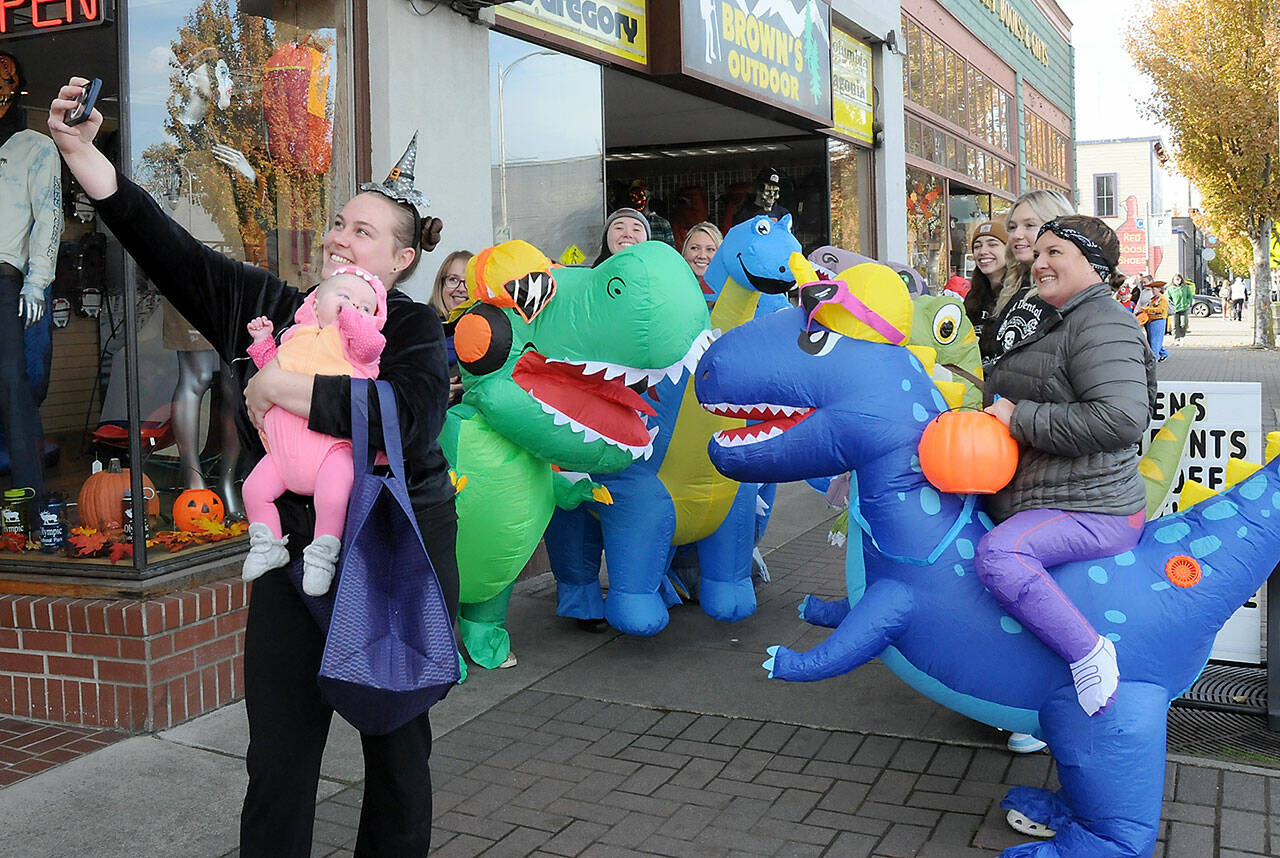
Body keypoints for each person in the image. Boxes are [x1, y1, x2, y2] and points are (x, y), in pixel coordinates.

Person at [51, 79, 456, 857]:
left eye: (363, 232)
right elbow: (167, 247)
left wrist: (283, 388)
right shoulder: (273, 308)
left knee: (398, 755)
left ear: (402, 259)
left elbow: (409, 420)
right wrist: (81, 154)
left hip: (390, 554)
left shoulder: (411, 329)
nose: (339, 240)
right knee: (277, 758)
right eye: (338, 223)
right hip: (291, 555)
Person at [978, 214, 1155, 719]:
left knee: (1001, 555)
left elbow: (1121, 418)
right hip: (1047, 496)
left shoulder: (1103, 322)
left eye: (1054, 252)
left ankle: (1090, 655)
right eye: (1038, 253)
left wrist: (1019, 418)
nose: (1040, 262)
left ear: (1092, 264)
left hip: (1094, 509)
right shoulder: (1056, 316)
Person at [242, 267, 388, 596]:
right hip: (284, 452)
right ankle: (267, 544)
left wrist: (352, 318)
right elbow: (272, 371)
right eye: (344, 296)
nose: (355, 306)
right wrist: (263, 342)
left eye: (366, 307)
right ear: (316, 303)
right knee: (253, 489)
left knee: (332, 496)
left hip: (331, 449)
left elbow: (370, 347)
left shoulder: (356, 345)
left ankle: (322, 556)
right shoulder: (295, 337)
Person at [0, 52, 61, 501]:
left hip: (5, 276)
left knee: (13, 388)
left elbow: (49, 216)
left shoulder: (34, 146)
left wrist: (37, 280)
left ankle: (31, 506)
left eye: (6, 80)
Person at [981, 189, 1075, 370]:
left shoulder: (1069, 290)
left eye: (1030, 225)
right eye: (1012, 227)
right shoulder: (1014, 287)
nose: (1017, 235)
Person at [428, 250, 473, 406]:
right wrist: (433, 395)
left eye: (469, 282)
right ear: (441, 285)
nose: (461, 288)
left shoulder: (495, 332)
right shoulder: (421, 328)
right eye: (453, 279)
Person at [962, 219, 1008, 348]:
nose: (983, 251)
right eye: (977, 246)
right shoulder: (973, 297)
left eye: (992, 244)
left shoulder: (1020, 295)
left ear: (1009, 250)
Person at [680, 221, 722, 308]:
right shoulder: (671, 287)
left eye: (710, 249)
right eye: (695, 248)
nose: (702, 256)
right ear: (684, 252)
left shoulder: (729, 291)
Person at [628, 180, 675, 248]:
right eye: (634, 194)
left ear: (648, 195)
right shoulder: (627, 224)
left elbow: (671, 251)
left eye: (641, 193)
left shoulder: (662, 224)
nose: (637, 197)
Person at [1135, 278, 1169, 361]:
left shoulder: (1162, 299)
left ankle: (1154, 359)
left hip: (1158, 321)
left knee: (1155, 342)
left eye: (1154, 289)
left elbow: (1160, 310)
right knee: (1153, 340)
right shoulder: (1154, 299)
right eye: (1152, 289)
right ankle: (1163, 354)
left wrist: (1147, 309)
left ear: (1159, 289)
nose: (1153, 291)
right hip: (1151, 321)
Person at [1167, 273, 1192, 343]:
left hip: (1183, 308)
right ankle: (1176, 338)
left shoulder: (1186, 287)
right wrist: (1171, 304)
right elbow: (1168, 297)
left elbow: (1190, 296)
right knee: (1175, 324)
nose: (1177, 281)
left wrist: (1187, 302)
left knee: (1184, 323)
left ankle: (1182, 336)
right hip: (1174, 309)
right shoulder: (1170, 288)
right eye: (1176, 279)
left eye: (1178, 279)